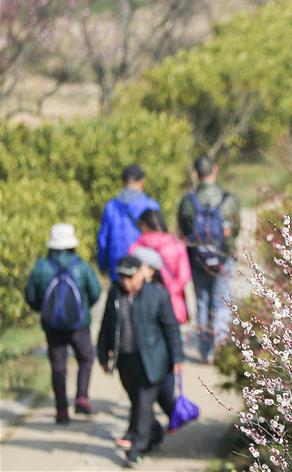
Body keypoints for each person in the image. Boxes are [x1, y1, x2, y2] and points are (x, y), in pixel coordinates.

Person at [97, 254, 184, 466]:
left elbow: (171, 328)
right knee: (137, 401)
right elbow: (106, 325)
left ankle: (137, 447)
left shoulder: (158, 295)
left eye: (130, 277)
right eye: (122, 277)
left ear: (140, 274)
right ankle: (154, 433)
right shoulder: (115, 294)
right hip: (126, 360)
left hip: (152, 360)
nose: (126, 282)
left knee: (144, 402)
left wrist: (177, 357)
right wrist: (102, 353)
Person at [24, 223, 101, 424]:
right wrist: (82, 309)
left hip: (52, 327)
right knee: (86, 358)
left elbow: (31, 296)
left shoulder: (41, 267)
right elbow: (95, 292)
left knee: (58, 367)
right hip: (79, 324)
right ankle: (82, 397)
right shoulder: (81, 266)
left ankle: (61, 410)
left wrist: (46, 311)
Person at [177, 156, 240, 364]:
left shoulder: (188, 202)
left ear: (195, 173)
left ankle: (204, 350)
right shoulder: (229, 199)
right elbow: (236, 229)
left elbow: (184, 229)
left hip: (197, 258)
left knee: (202, 301)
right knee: (222, 302)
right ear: (216, 169)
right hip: (223, 257)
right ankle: (220, 347)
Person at [97, 164, 160, 281]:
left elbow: (103, 240)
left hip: (117, 267)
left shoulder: (111, 207)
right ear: (142, 181)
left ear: (123, 182)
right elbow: (159, 238)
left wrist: (103, 266)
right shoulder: (151, 206)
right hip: (145, 268)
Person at [129, 208, 191, 326]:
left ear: (144, 225)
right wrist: (169, 292)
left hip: (143, 303)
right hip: (172, 304)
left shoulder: (136, 248)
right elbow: (183, 277)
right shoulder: (176, 245)